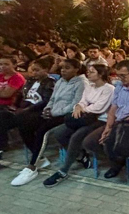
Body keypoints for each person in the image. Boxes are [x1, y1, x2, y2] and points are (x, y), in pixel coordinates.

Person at [9, 58, 86, 186]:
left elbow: (76, 104)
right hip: (52, 112)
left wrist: (54, 113)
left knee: (41, 132)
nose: (63, 71)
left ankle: (32, 166)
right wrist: (47, 109)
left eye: (67, 68)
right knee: (25, 125)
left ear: (76, 70)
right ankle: (40, 158)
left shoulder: (81, 83)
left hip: (66, 115)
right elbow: (53, 98)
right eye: (62, 68)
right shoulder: (61, 81)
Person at [0, 57, 55, 163]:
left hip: (37, 112)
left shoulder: (50, 83)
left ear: (46, 70)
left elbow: (46, 101)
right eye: (32, 70)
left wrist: (27, 109)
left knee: (21, 123)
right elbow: (22, 96)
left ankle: (38, 157)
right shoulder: (31, 81)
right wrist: (15, 105)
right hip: (23, 110)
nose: (34, 73)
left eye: (37, 70)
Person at [42, 65, 115, 187]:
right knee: (59, 132)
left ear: (101, 75)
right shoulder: (89, 86)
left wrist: (82, 109)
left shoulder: (109, 89)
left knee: (77, 136)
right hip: (85, 117)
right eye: (88, 71)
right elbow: (83, 100)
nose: (88, 74)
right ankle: (81, 156)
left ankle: (63, 170)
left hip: (100, 119)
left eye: (92, 72)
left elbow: (99, 107)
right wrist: (78, 106)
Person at [82, 60, 129, 179]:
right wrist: (108, 127)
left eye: (123, 75)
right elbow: (113, 109)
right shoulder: (119, 87)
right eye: (119, 76)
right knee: (90, 142)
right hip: (117, 121)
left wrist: (114, 128)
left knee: (108, 141)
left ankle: (116, 163)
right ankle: (117, 158)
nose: (121, 78)